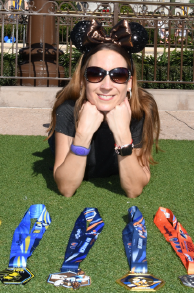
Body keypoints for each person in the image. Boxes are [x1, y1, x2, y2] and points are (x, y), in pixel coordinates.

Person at [48, 20, 162, 198]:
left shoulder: (141, 110)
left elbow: (134, 190)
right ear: (83, 79)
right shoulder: (68, 110)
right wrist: (83, 134)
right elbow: (66, 188)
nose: (106, 86)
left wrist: (123, 133)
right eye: (95, 74)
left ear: (129, 82)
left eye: (118, 75)